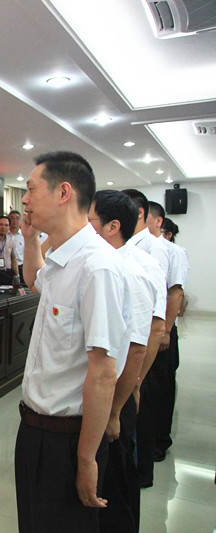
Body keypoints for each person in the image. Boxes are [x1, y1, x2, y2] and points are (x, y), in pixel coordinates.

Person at [16, 151, 129, 533]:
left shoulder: (97, 267)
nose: (24, 200)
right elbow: (34, 279)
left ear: (64, 192)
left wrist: (86, 458)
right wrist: (30, 240)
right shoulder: (60, 259)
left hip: (67, 441)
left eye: (31, 190)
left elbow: (104, 372)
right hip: (34, 430)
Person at [88, 190, 155, 533]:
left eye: (89, 222)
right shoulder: (102, 265)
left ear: (112, 227)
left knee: (115, 489)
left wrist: (114, 411)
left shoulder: (131, 271)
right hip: (101, 396)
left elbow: (138, 349)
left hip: (114, 398)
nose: (84, 229)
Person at [121, 189, 172, 487]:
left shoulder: (151, 250)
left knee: (143, 407)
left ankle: (141, 472)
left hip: (142, 349)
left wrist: (137, 378)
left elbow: (156, 318)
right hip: (133, 351)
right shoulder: (128, 247)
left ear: (137, 213)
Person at [146, 201, 189, 462]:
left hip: (163, 328)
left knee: (161, 385)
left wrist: (166, 331)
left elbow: (176, 292)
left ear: (157, 221)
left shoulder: (174, 251)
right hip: (147, 329)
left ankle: (160, 440)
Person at [7, 210, 26, 280]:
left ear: (20, 221)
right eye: (12, 218)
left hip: (21, 266)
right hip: (7, 268)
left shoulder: (24, 236)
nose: (14, 220)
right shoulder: (3, 235)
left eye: (17, 218)